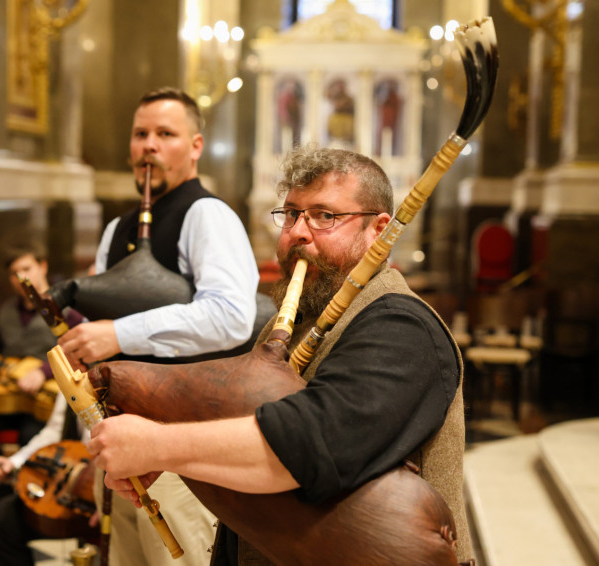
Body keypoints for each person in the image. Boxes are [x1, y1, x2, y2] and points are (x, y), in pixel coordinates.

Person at [89, 145, 471, 565]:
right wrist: (184, 462)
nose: (298, 232)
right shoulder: (293, 321)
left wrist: (158, 445)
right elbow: (249, 425)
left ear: (378, 230)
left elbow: (310, 446)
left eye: (325, 216)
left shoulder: (402, 326)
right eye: (291, 214)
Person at [57, 87, 260, 566]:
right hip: (118, 446)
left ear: (195, 146)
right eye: (140, 134)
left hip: (182, 449)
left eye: (165, 134)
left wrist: (117, 333)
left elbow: (231, 315)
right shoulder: (117, 229)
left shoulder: (207, 214)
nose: (149, 145)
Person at [0, 245, 83, 501]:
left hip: (45, 401)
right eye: (15, 273)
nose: (21, 277)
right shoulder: (5, 312)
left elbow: (78, 351)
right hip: (11, 396)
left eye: (27, 268)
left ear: (42, 267)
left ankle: (29, 497)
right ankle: (0, 490)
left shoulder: (68, 310)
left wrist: (43, 372)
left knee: (31, 435)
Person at [0, 395, 90, 566]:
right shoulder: (71, 379)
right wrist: (13, 463)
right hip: (67, 486)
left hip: (109, 492)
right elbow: (54, 431)